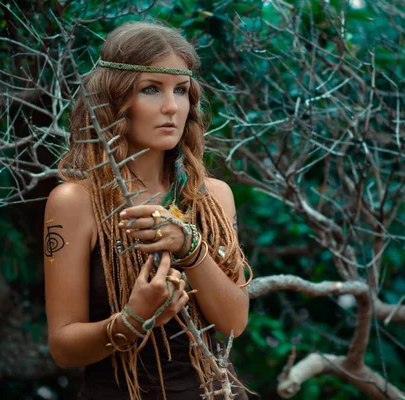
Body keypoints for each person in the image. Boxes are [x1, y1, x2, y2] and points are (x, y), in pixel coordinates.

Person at [43, 21, 252, 400]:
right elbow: (63, 347)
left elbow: (235, 321)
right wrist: (132, 321)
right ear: (115, 100)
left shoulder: (213, 197)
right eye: (151, 89)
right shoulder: (76, 202)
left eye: (182, 91)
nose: (172, 107)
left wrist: (190, 247)